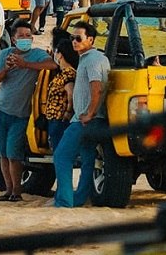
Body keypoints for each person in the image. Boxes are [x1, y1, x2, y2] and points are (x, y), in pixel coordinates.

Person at [0, 17, 54, 202]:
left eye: (29, 35)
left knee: (14, 153)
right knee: (2, 152)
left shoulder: (37, 55)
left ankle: (17, 191)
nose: (25, 38)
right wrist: (8, 69)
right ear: (13, 38)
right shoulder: (5, 54)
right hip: (1, 109)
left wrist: (26, 65)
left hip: (21, 114)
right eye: (21, 36)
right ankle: (8, 190)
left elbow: (53, 65)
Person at [53, 20, 110, 208]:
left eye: (78, 38)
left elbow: (97, 87)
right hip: (94, 119)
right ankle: (79, 199)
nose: (74, 41)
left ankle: (64, 201)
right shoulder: (93, 58)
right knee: (87, 159)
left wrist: (89, 113)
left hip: (85, 120)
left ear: (91, 40)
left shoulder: (92, 60)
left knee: (62, 156)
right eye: (72, 38)